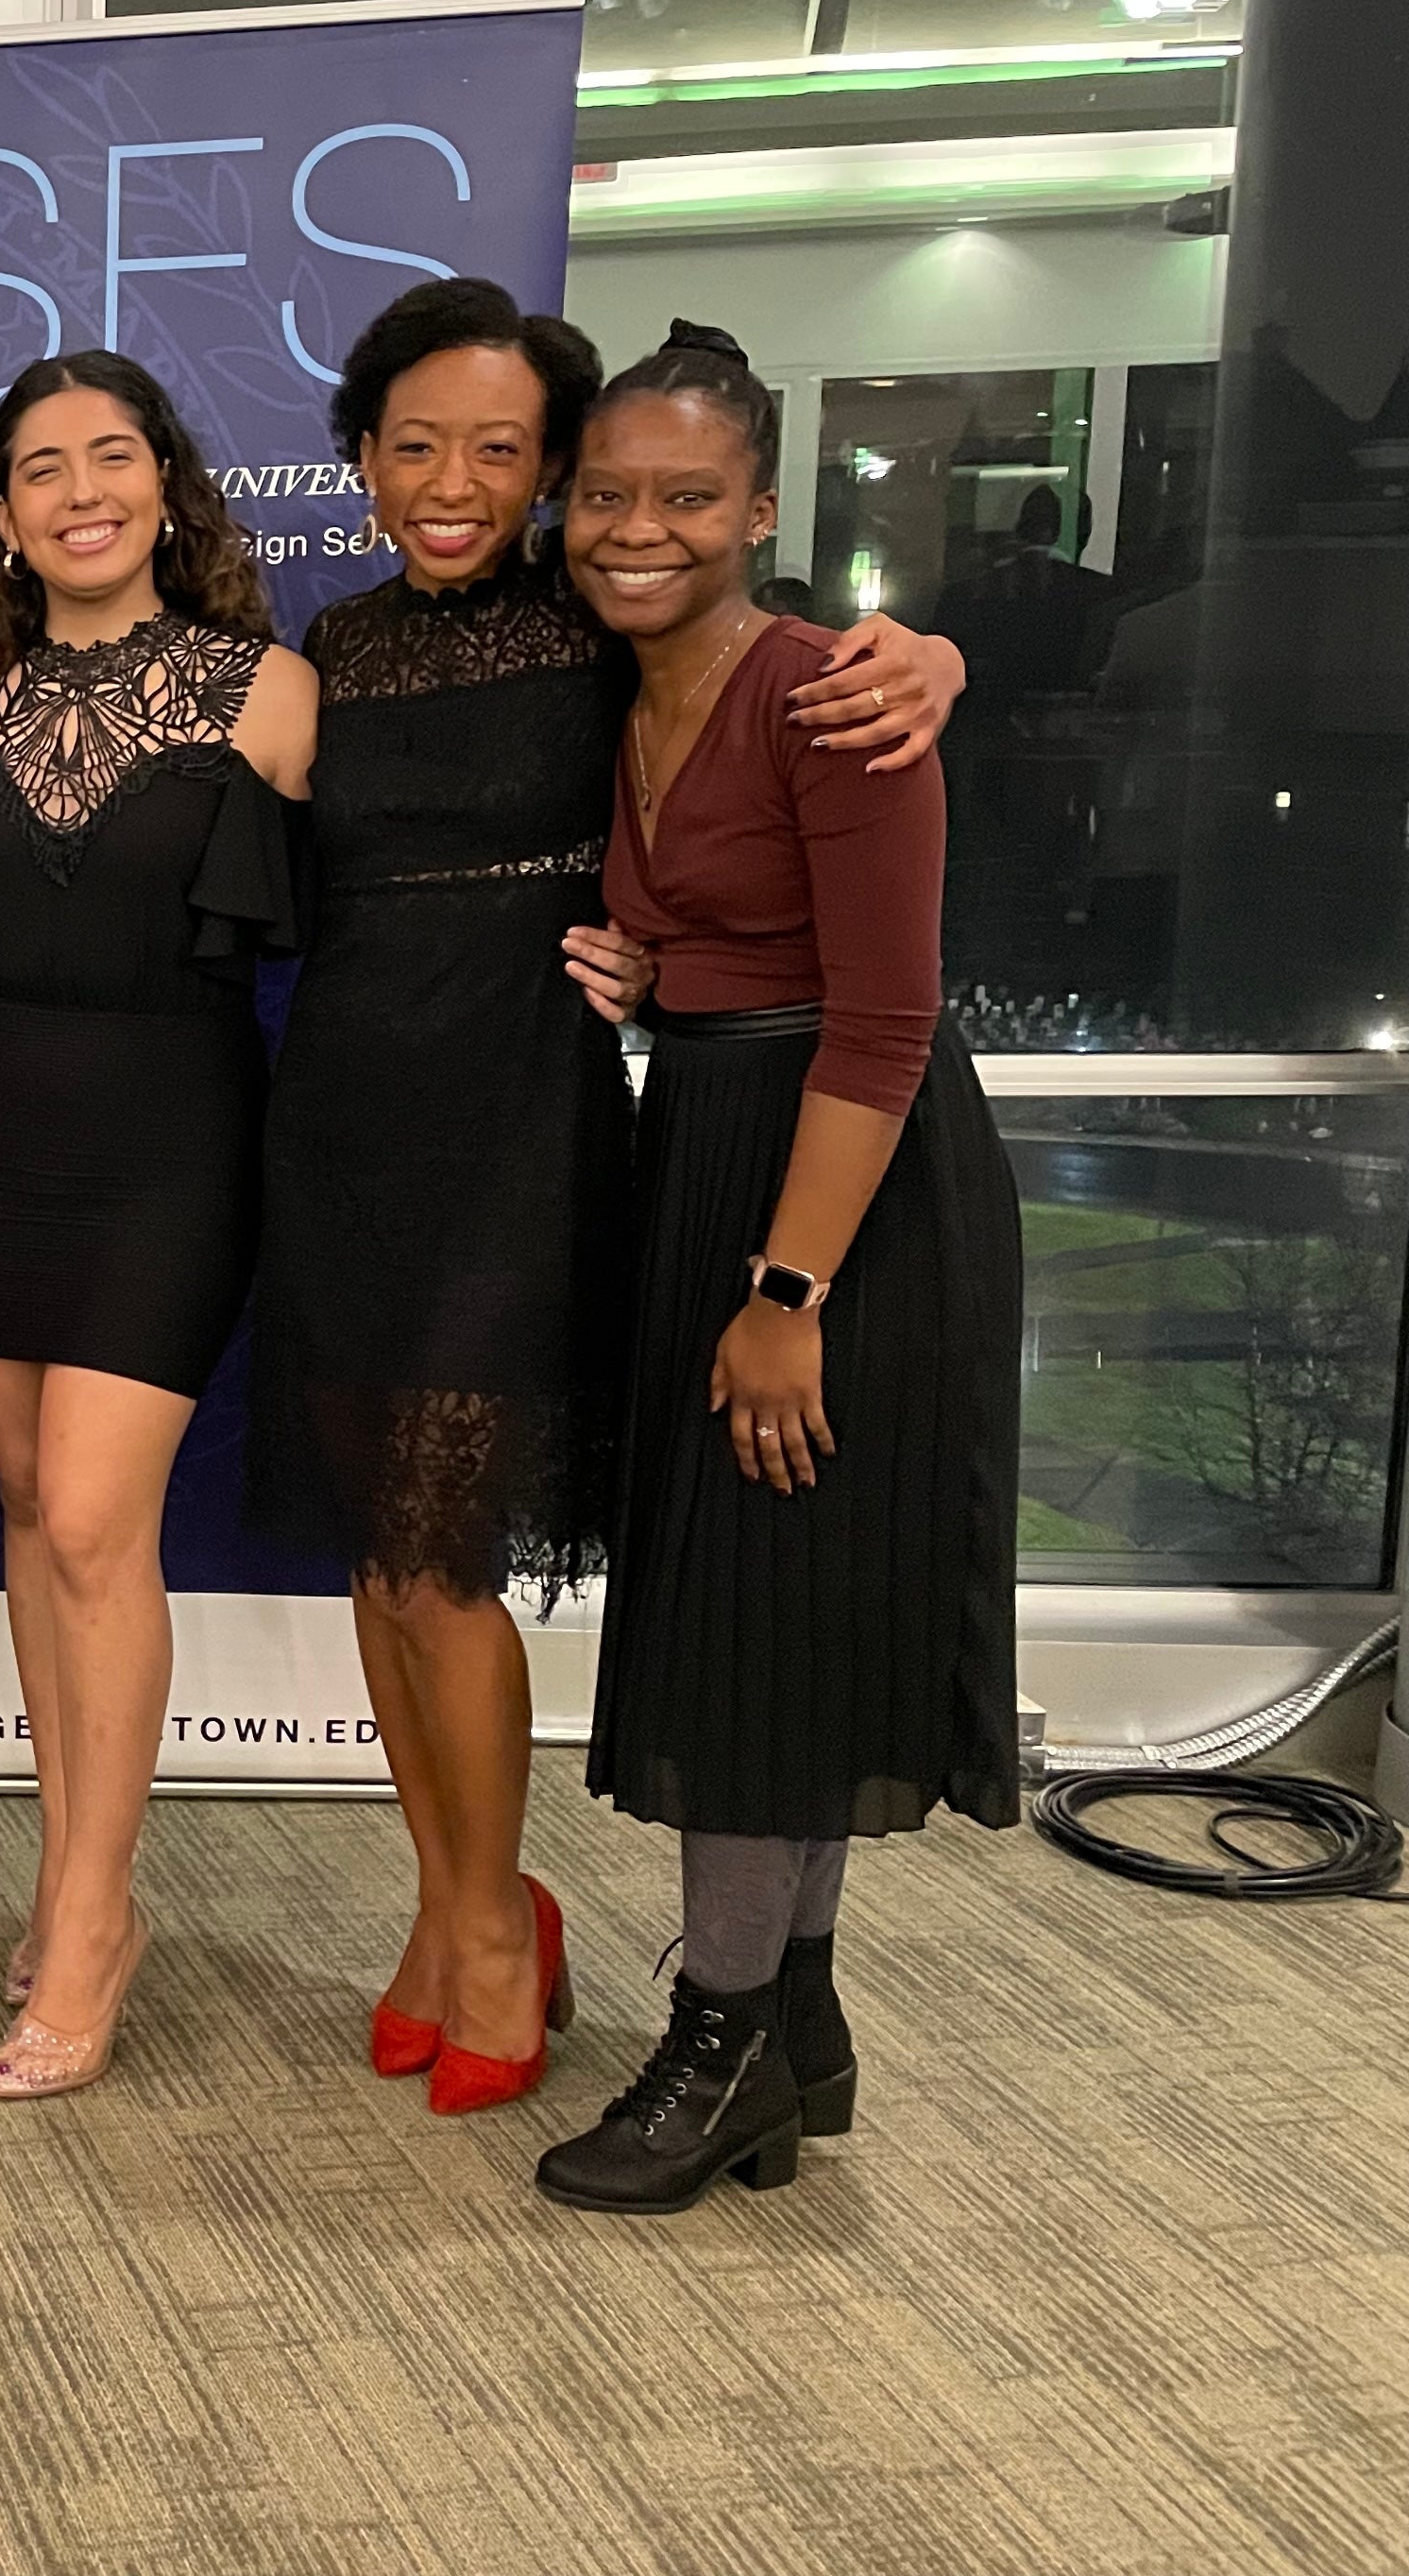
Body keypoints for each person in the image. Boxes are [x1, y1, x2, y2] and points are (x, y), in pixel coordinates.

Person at [246, 276, 965, 2117]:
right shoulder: (328, 635)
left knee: (449, 1554)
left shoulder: (601, 615)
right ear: (363, 456)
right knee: (380, 1559)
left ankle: (500, 1926)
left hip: (515, 1131)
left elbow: (775, 678)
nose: (454, 478)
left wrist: (938, 651)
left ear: (556, 474)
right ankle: (445, 1912)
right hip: (340, 1118)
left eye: (501, 448)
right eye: (418, 443)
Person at [534, 321, 1022, 2214]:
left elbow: (884, 1025)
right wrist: (654, 974)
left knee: (755, 1625)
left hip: (843, 1194)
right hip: (717, 1145)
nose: (636, 527)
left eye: (684, 496)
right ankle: (795, 2028)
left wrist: (788, 1295)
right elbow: (731, 941)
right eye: (608, 494)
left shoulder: (833, 697)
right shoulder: (626, 684)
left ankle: (722, 2036)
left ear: (756, 512)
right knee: (772, 1606)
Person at [0, 352, 315, 2095]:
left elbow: (452, 844)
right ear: (2, 511)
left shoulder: (270, 693)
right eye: (41, 466)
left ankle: (90, 1912)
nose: (80, 490)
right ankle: (76, 1870)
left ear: (165, 482)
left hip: (174, 1150)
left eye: (111, 455)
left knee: (87, 1519)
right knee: (27, 1519)